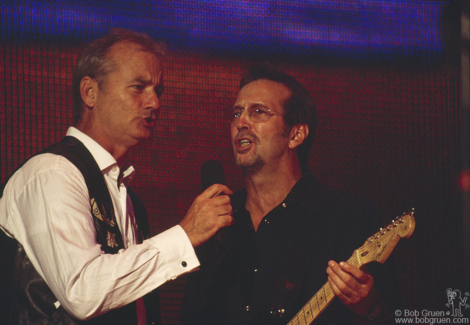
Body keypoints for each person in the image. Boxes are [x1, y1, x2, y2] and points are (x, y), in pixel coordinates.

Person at [0, 28, 233, 325]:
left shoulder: (127, 197)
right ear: (90, 92)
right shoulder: (52, 174)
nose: (155, 103)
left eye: (157, 91)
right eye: (138, 87)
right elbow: (82, 291)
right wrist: (184, 236)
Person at [180, 63, 401, 324]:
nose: (241, 122)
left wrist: (369, 307)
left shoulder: (348, 217)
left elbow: (391, 316)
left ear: (296, 134)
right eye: (237, 113)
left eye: (258, 112)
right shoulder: (215, 221)